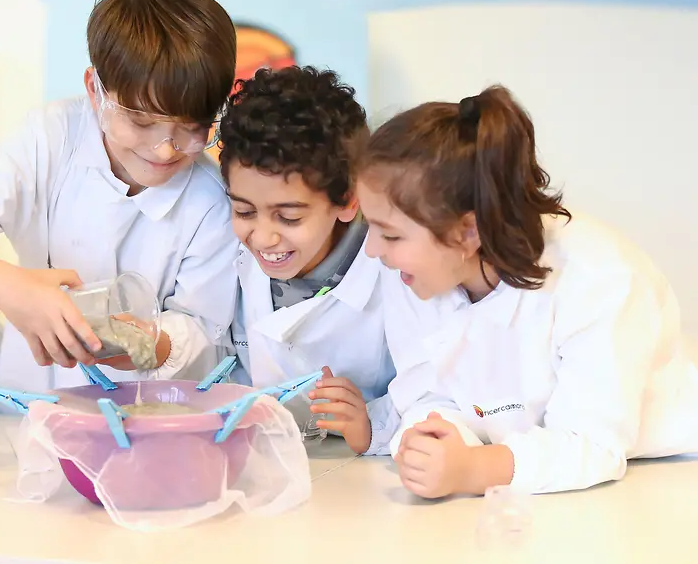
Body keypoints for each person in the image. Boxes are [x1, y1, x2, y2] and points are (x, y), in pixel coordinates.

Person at [352, 85, 698, 496]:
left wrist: (475, 469)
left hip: (656, 481)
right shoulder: (413, 275)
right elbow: (427, 393)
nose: (372, 251)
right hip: (520, 480)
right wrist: (431, 441)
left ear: (467, 231)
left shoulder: (599, 277)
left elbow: (592, 444)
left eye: (390, 235)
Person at [0, 0, 240, 393]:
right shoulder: (52, 137)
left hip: (150, 415)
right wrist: (12, 289)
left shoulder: (211, 200)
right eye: (140, 121)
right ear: (95, 90)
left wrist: (140, 342)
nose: (167, 149)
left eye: (192, 128)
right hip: (31, 399)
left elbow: (205, 333)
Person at [219, 66, 395, 455]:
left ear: (348, 200)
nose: (263, 237)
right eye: (245, 212)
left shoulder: (394, 274)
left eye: (290, 217)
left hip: (364, 475)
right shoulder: (227, 257)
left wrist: (372, 423)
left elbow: (433, 392)